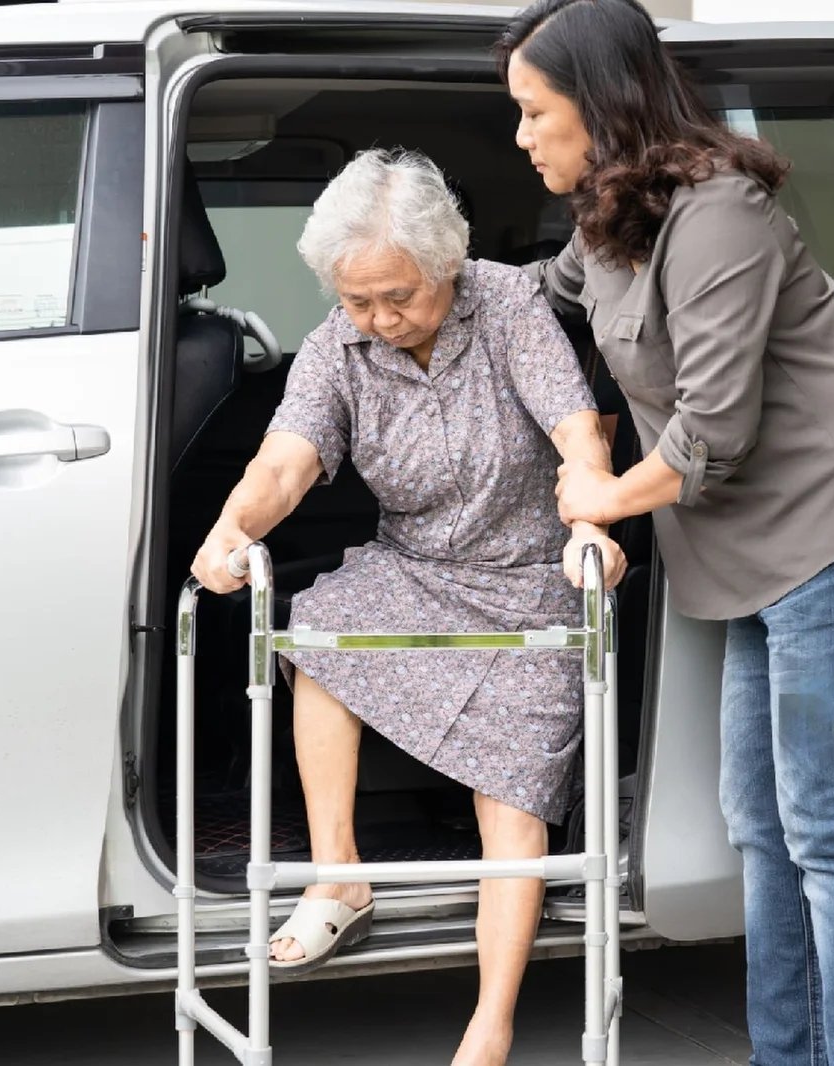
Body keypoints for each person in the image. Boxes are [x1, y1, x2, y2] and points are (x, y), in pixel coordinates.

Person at [497, 3, 834, 1063]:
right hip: (757, 563)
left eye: (534, 111)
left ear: (600, 104)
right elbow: (533, 302)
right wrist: (413, 289)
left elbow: (711, 430)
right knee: (765, 828)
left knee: (832, 832)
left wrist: (599, 494)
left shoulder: (719, 214)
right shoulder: (607, 223)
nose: (521, 135)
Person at [189, 147, 624, 1066]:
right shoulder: (335, 347)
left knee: (511, 787)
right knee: (318, 635)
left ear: (448, 265)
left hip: (529, 574)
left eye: (400, 297)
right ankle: (338, 878)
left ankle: (490, 1026)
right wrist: (233, 530)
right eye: (359, 300)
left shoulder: (507, 305)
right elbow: (287, 462)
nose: (380, 319)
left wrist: (591, 514)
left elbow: (575, 428)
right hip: (416, 566)